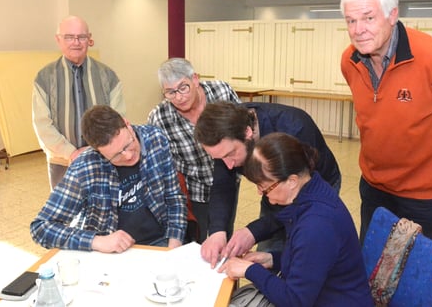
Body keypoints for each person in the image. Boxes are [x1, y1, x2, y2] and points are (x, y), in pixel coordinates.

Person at [340, 0, 432, 243]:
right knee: (372, 269)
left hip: (422, 195)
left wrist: (430, 161)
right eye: (351, 20)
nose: (358, 29)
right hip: (374, 187)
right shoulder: (349, 60)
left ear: (392, 14)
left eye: (368, 18)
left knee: (413, 276)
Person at [221, 132, 373, 306]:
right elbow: (313, 262)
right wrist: (272, 259)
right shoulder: (312, 190)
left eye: (264, 187)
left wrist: (250, 270)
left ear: (292, 180)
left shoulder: (316, 225)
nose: (260, 193)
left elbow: (295, 301)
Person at [195, 101, 341, 267]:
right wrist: (217, 231)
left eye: (230, 155)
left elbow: (300, 200)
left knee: (304, 250)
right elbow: (222, 186)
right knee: (268, 254)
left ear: (247, 132)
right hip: (274, 191)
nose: (228, 165)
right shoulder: (226, 135)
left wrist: (254, 231)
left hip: (311, 188)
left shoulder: (294, 128)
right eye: (220, 159)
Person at [30, 105, 187, 253]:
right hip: (111, 254)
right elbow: (40, 228)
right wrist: (97, 241)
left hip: (160, 242)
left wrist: (174, 243)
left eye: (128, 144)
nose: (129, 156)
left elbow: (174, 198)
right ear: (98, 152)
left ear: (127, 124)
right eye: (117, 155)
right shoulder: (85, 167)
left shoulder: (155, 139)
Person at [147, 58, 241, 243]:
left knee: (222, 233)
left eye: (183, 88)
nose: (179, 97)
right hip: (194, 189)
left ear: (195, 79)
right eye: (170, 92)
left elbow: (243, 129)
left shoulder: (221, 91)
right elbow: (159, 161)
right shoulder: (159, 117)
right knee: (197, 240)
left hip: (229, 179)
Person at [32, 15, 126, 189]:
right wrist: (71, 153)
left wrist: (96, 150)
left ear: (89, 40)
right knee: (66, 214)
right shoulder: (44, 78)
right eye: (69, 37)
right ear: (58, 40)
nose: (76, 42)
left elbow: (118, 120)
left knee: (104, 212)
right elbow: (42, 125)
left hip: (103, 160)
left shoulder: (108, 76)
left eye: (81, 37)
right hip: (62, 164)